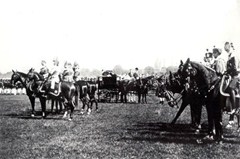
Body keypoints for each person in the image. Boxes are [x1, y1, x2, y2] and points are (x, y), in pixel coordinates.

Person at [224, 42, 240, 115]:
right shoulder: (230, 55)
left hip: (236, 75)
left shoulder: (234, 55)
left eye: (227, 49)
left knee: (231, 88)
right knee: (226, 89)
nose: (227, 51)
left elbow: (234, 68)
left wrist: (227, 71)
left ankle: (234, 108)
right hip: (233, 75)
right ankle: (227, 106)